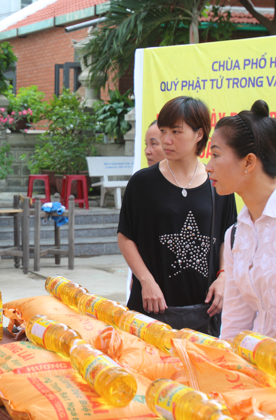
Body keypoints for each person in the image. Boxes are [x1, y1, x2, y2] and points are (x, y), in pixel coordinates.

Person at [117, 96, 236, 332]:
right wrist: (146, 281)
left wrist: (223, 277)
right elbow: (125, 236)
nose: (166, 140)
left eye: (176, 131)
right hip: (151, 306)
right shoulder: (143, 182)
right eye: (163, 131)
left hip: (204, 311)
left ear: (199, 134)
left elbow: (227, 237)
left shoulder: (218, 182)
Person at [205, 99, 276, 340]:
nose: (208, 166)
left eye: (216, 155)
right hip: (257, 360)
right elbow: (235, 323)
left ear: (249, 162)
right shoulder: (235, 234)